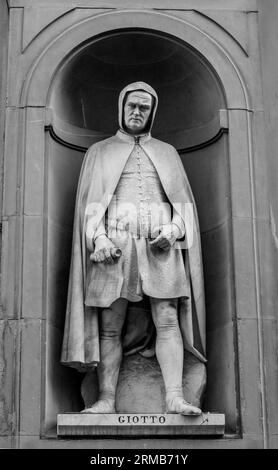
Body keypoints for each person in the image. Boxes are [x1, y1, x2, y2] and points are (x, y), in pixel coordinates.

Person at [61, 81, 206, 416]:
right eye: (132, 106)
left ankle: (174, 397)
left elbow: (184, 207)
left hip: (161, 247)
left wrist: (173, 229)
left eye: (144, 107)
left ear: (152, 112)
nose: (138, 112)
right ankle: (107, 399)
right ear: (121, 108)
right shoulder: (99, 151)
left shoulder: (168, 152)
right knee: (110, 324)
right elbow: (90, 204)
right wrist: (98, 239)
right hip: (115, 245)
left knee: (168, 317)